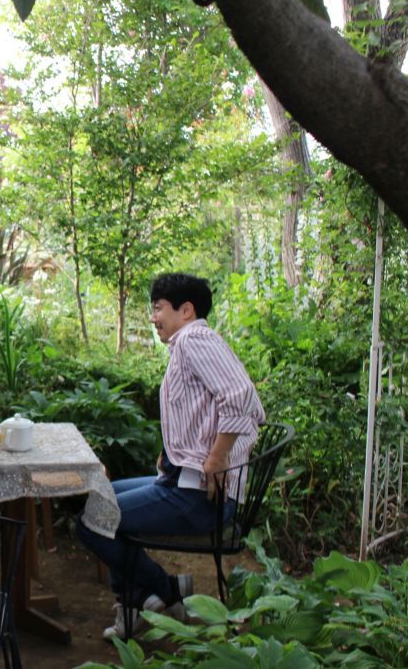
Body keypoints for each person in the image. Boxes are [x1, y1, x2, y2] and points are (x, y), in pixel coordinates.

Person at [76, 273, 265, 639]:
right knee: (104, 496)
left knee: (93, 520)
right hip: (184, 481)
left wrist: (217, 459)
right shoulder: (189, 345)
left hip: (199, 496)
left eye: (158, 308)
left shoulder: (194, 339)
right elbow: (199, 410)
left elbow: (240, 397)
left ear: (186, 310)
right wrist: (174, 453)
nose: (153, 318)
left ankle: (161, 592)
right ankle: (149, 597)